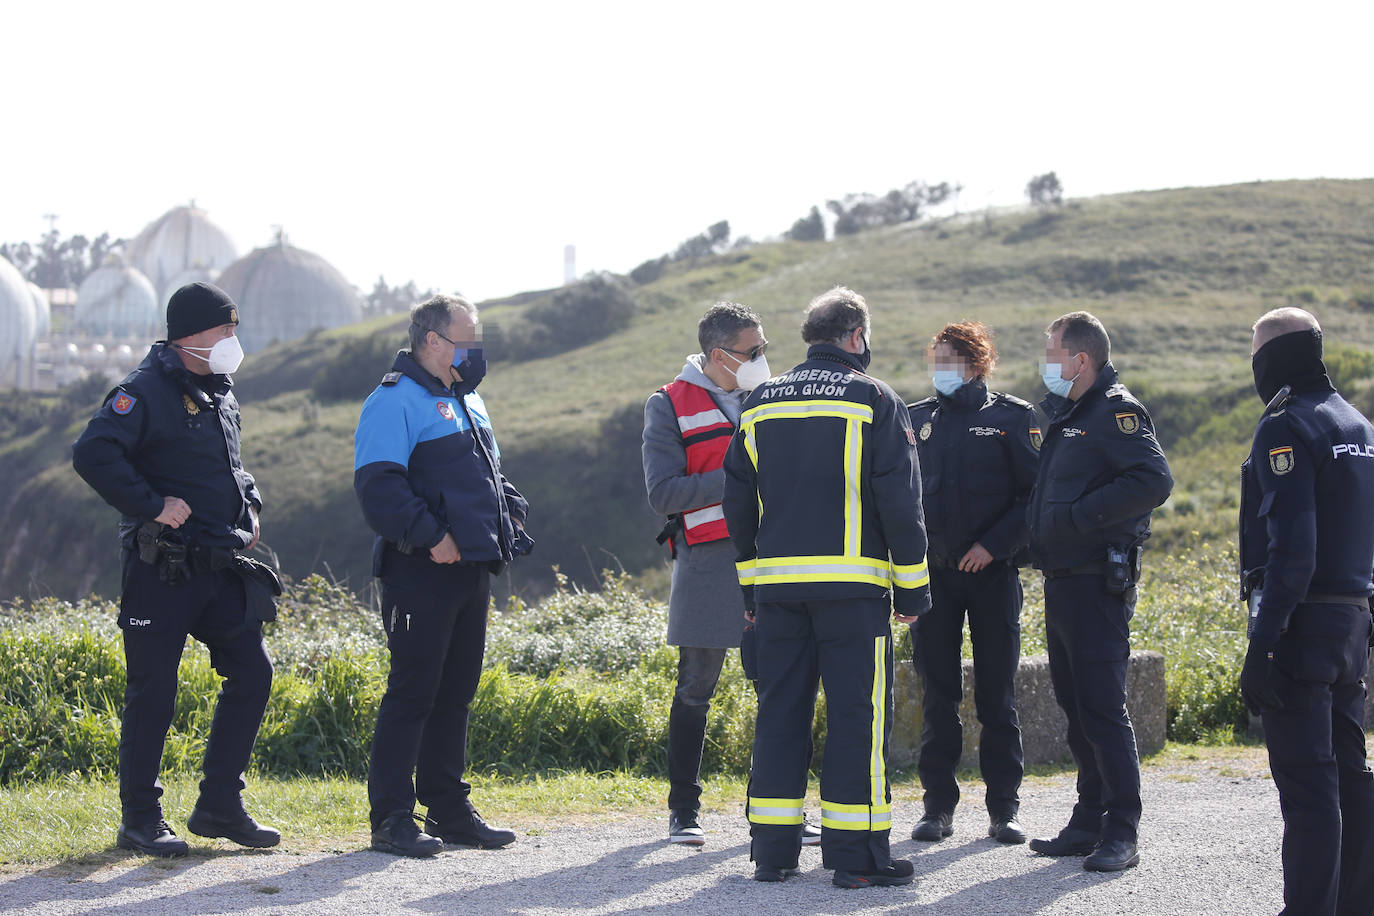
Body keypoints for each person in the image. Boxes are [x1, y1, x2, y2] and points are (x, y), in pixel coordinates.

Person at [722, 286, 931, 889]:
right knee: (857, 720)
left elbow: (737, 502)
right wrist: (913, 594)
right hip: (852, 591)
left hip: (778, 592)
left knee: (780, 713)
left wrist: (750, 583)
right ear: (856, 337)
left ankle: (772, 853)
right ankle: (857, 860)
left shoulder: (760, 402)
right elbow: (901, 503)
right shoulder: (873, 398)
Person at [72, 281, 279, 857]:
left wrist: (252, 506)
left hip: (220, 564)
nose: (233, 342)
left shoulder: (219, 388)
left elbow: (232, 466)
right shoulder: (142, 390)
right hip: (160, 569)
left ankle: (219, 805)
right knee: (153, 692)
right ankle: (140, 819)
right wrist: (151, 504)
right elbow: (92, 453)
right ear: (191, 335)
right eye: (225, 332)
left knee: (253, 672)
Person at [353, 294, 533, 857]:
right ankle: (391, 818)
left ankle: (450, 810)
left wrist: (510, 510)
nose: (476, 351)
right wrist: (434, 537)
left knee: (455, 694)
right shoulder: (392, 400)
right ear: (433, 340)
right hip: (419, 570)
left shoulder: (469, 399)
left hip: (472, 568)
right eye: (467, 339)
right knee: (413, 693)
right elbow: (379, 488)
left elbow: (489, 474)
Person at [644, 301, 828, 848]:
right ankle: (684, 811)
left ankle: (779, 809)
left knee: (781, 686)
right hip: (707, 561)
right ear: (718, 355)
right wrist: (737, 475)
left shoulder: (770, 396)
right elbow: (663, 494)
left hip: (773, 557)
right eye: (754, 351)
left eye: (765, 349)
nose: (764, 360)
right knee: (696, 688)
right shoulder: (667, 404)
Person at [1025, 311, 1172, 872]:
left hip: (1096, 582)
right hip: (1063, 581)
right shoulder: (1072, 413)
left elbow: (1153, 480)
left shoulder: (1116, 410)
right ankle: (1087, 820)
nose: (1047, 362)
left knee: (1104, 710)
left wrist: (1081, 519)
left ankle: (1122, 831)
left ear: (1080, 360)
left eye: (1052, 352)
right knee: (1076, 706)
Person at [1239, 307, 1374, 915]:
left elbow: (1292, 547)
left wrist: (1264, 644)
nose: (1253, 365)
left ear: (1276, 356)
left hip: (1301, 623)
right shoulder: (1359, 427)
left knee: (1309, 786)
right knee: (1351, 776)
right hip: (1352, 620)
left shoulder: (1287, 426)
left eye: (1255, 353)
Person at [906, 321, 1037, 846]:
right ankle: (937, 809)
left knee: (996, 698)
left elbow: (1034, 497)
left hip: (993, 576)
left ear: (976, 363)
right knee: (938, 697)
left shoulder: (1013, 417)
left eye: (949, 361)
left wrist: (994, 546)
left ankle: (1004, 809)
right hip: (933, 580)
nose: (939, 370)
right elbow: (899, 497)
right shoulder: (914, 420)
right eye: (934, 360)